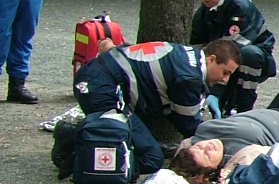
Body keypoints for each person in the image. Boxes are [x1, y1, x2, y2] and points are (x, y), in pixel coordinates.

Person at [74, 39, 240, 148]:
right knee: (151, 157)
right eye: (225, 72)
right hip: (101, 88)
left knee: (148, 143)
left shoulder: (187, 54)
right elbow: (189, 125)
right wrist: (219, 145)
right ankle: (72, 140)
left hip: (99, 79)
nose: (225, 80)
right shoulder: (189, 77)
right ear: (211, 59)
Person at [190, 0, 276, 114]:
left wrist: (216, 91)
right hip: (225, 61)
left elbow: (231, 53)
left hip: (255, 61)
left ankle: (243, 110)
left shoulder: (240, 7)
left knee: (248, 54)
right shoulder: (202, 14)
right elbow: (197, 52)